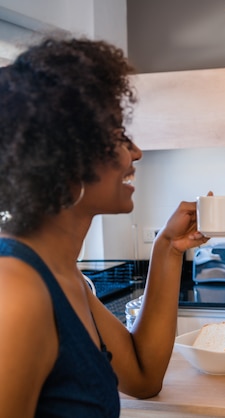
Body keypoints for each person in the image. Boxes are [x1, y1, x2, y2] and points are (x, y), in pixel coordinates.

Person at [0, 36, 209, 417]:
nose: (136, 152)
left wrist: (168, 247)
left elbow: (143, 378)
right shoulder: (16, 289)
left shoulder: (66, 278)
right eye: (117, 134)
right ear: (64, 155)